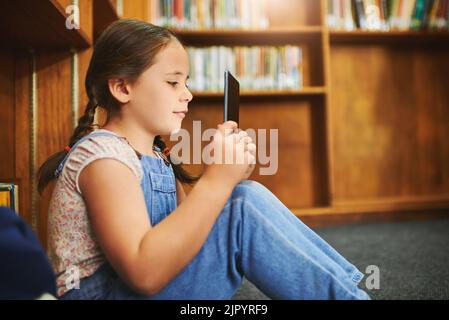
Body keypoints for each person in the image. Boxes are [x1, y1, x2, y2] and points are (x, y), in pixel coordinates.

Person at [37, 19, 370, 300]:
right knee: (242, 205)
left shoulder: (156, 156)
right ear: (123, 88)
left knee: (241, 199)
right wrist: (217, 182)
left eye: (187, 82)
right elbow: (144, 271)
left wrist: (226, 180)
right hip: (110, 292)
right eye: (172, 82)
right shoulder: (103, 158)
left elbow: (181, 243)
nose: (188, 94)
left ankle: (349, 292)